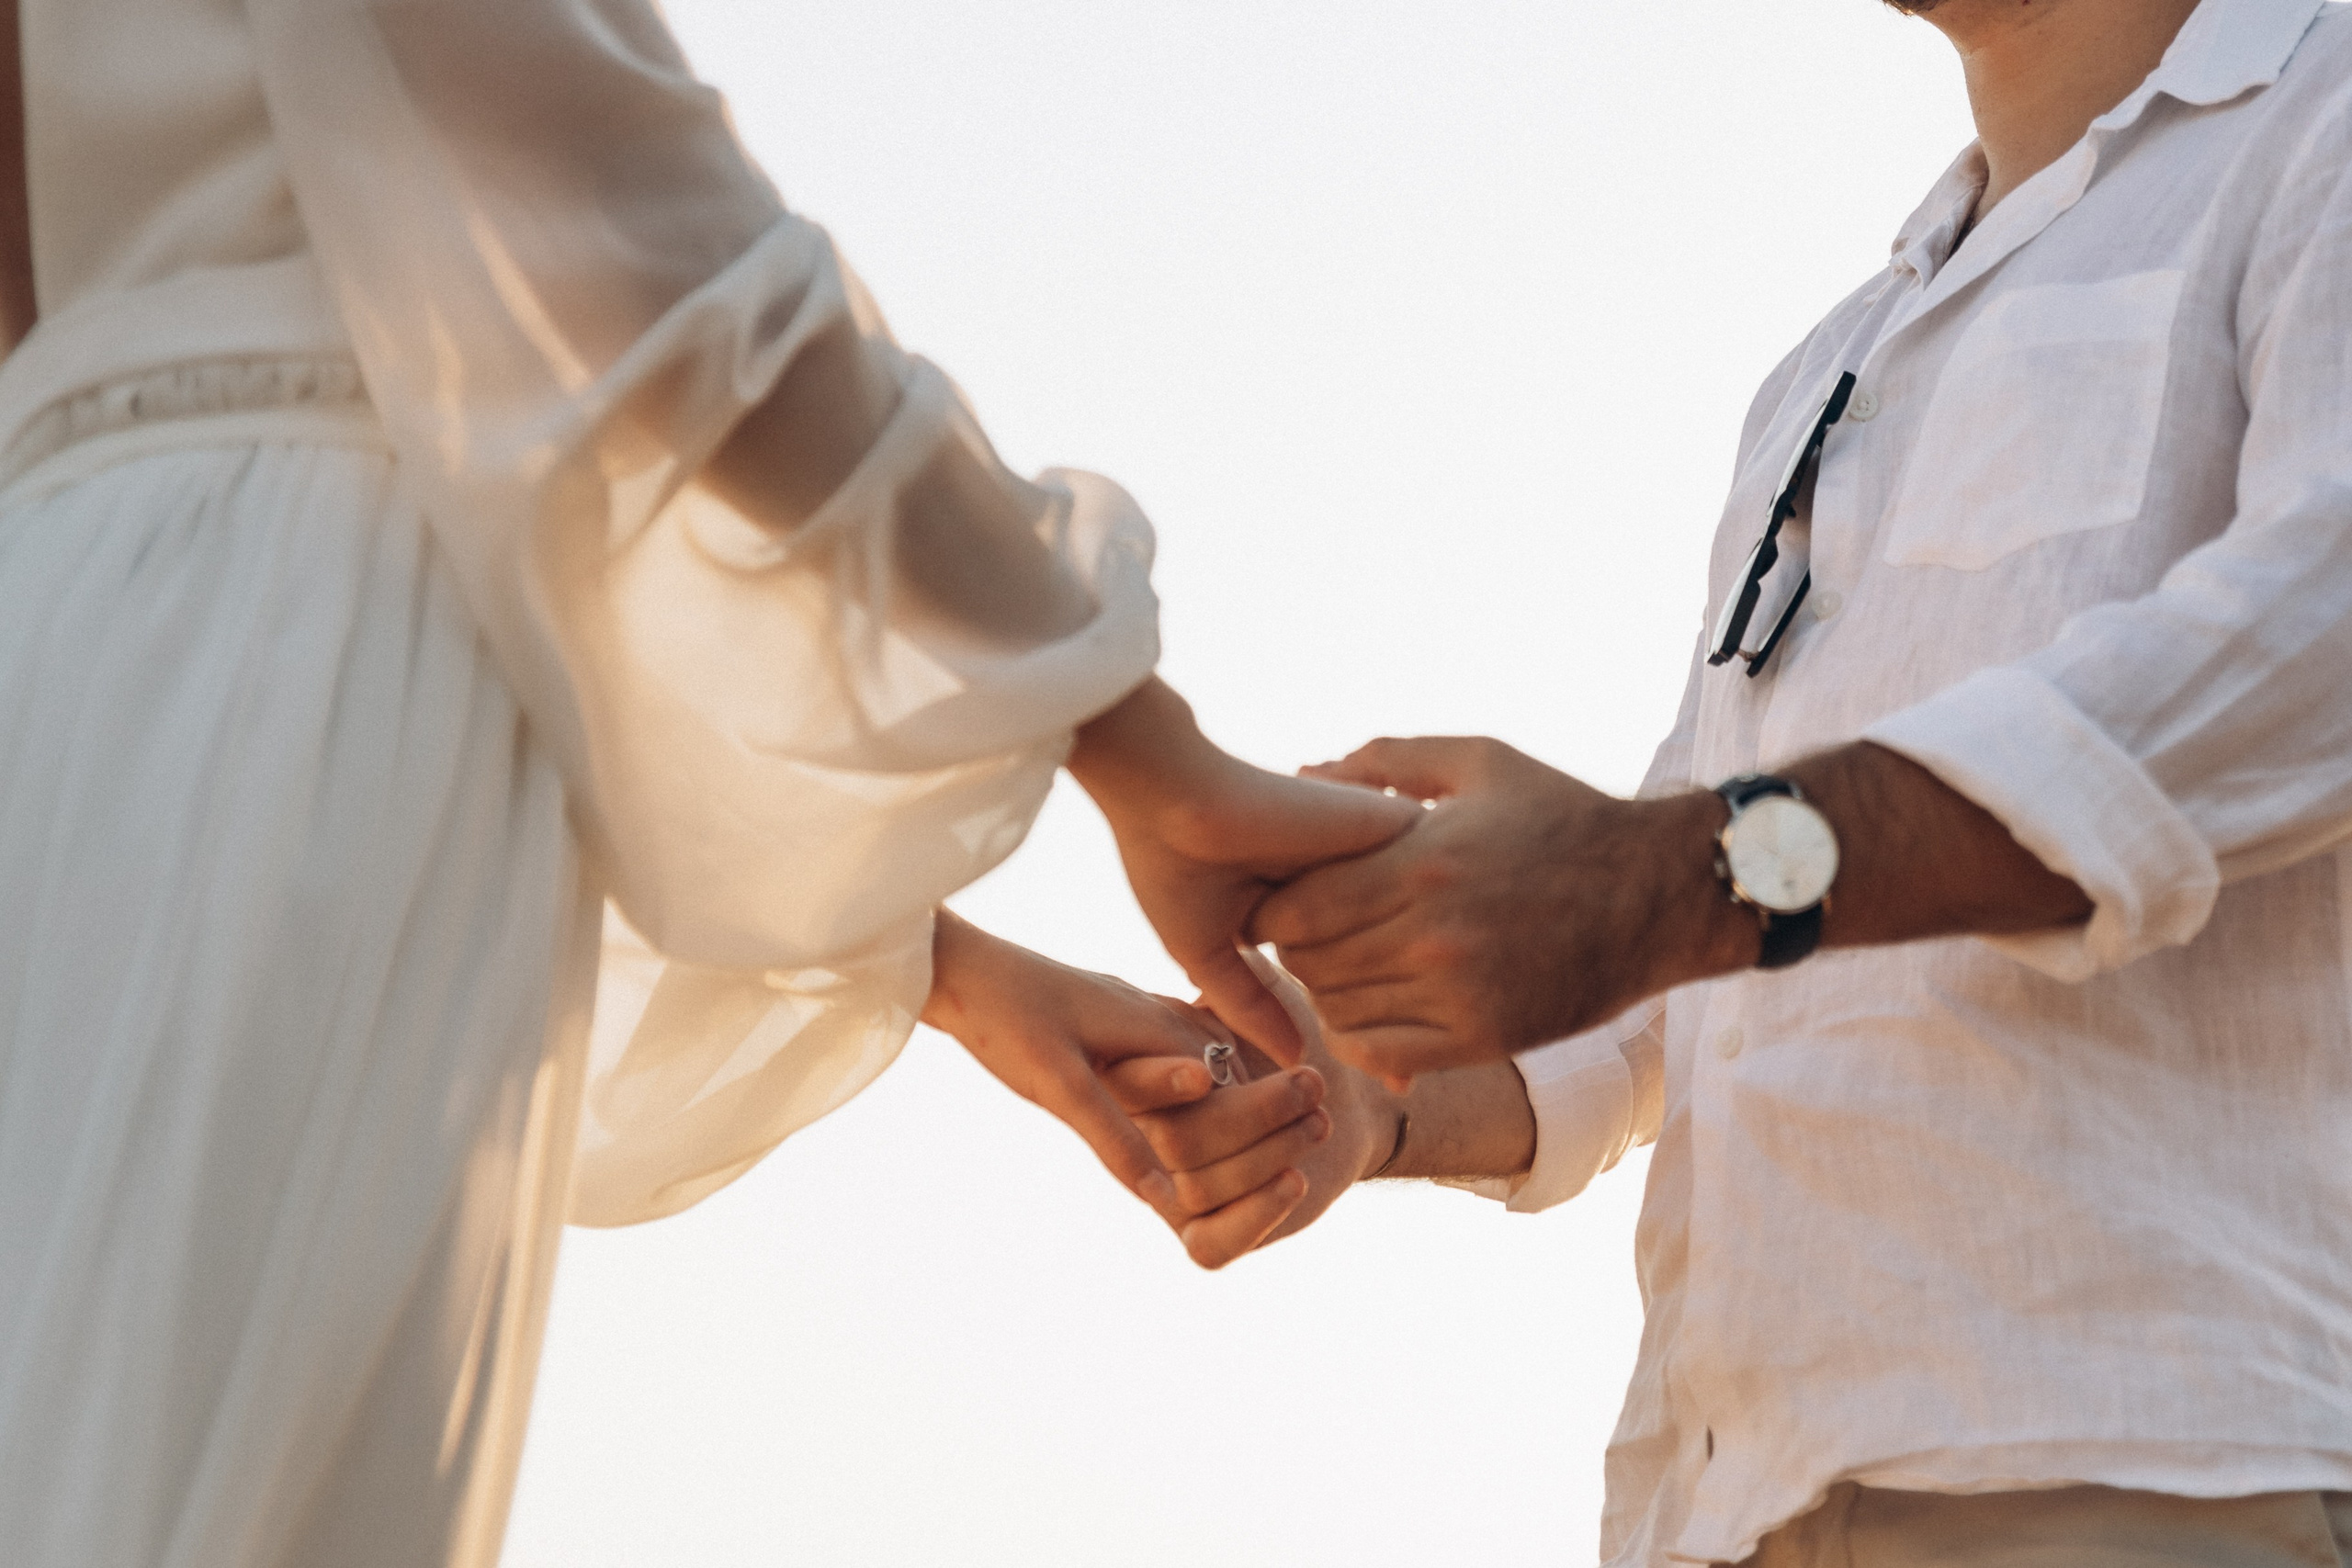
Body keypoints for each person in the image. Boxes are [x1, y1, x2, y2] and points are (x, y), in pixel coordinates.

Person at [0, 2, 1412, 1563]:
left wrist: (953, 969)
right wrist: (1152, 758)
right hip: (302, 659)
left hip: (71, 643)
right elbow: (624, 244)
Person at [1143, 0, 2352, 1562]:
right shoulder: (1830, 364)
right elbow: (1695, 964)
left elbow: (2312, 645)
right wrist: (1363, 1084)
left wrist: (1673, 877)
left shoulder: (2320, 112)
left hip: (2150, 1467)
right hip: (1726, 1502)